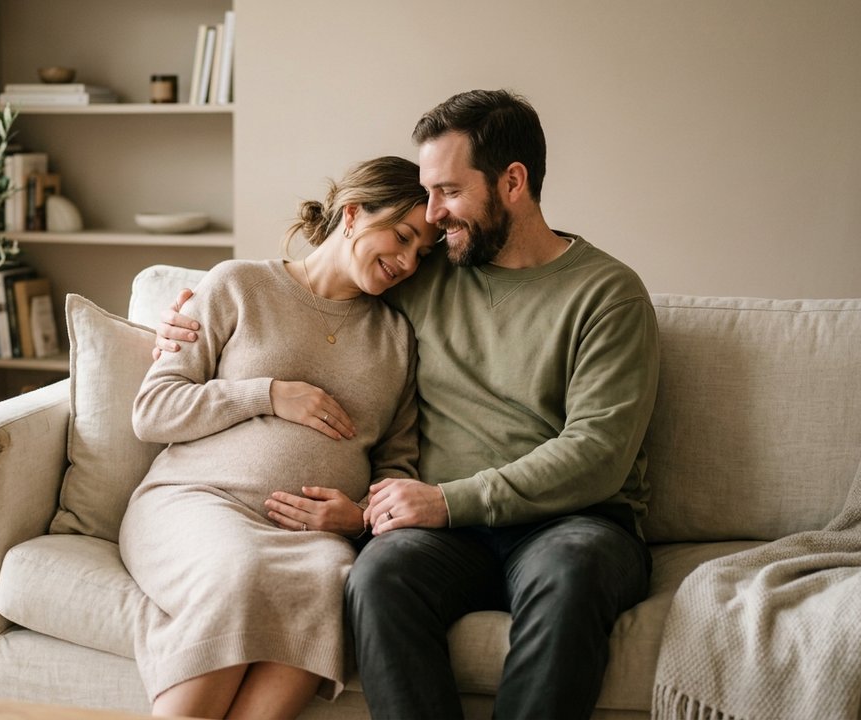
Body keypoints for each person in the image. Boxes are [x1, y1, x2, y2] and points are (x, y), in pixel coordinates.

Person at [155, 90, 660, 720]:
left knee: (573, 572)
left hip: (573, 522)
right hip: (450, 532)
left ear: (512, 181)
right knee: (377, 578)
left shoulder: (607, 294)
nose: (433, 213)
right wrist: (183, 311)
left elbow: (598, 454)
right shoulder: (427, 269)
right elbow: (319, 278)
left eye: (448, 191)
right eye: (426, 194)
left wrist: (447, 500)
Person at [119, 155, 439, 720]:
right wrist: (265, 394)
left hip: (312, 537)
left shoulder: (397, 338)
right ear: (354, 212)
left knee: (327, 585)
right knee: (239, 572)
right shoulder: (238, 284)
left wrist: (360, 514)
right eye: (403, 236)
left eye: (423, 253)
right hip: (199, 501)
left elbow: (399, 463)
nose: (409, 261)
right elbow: (153, 411)